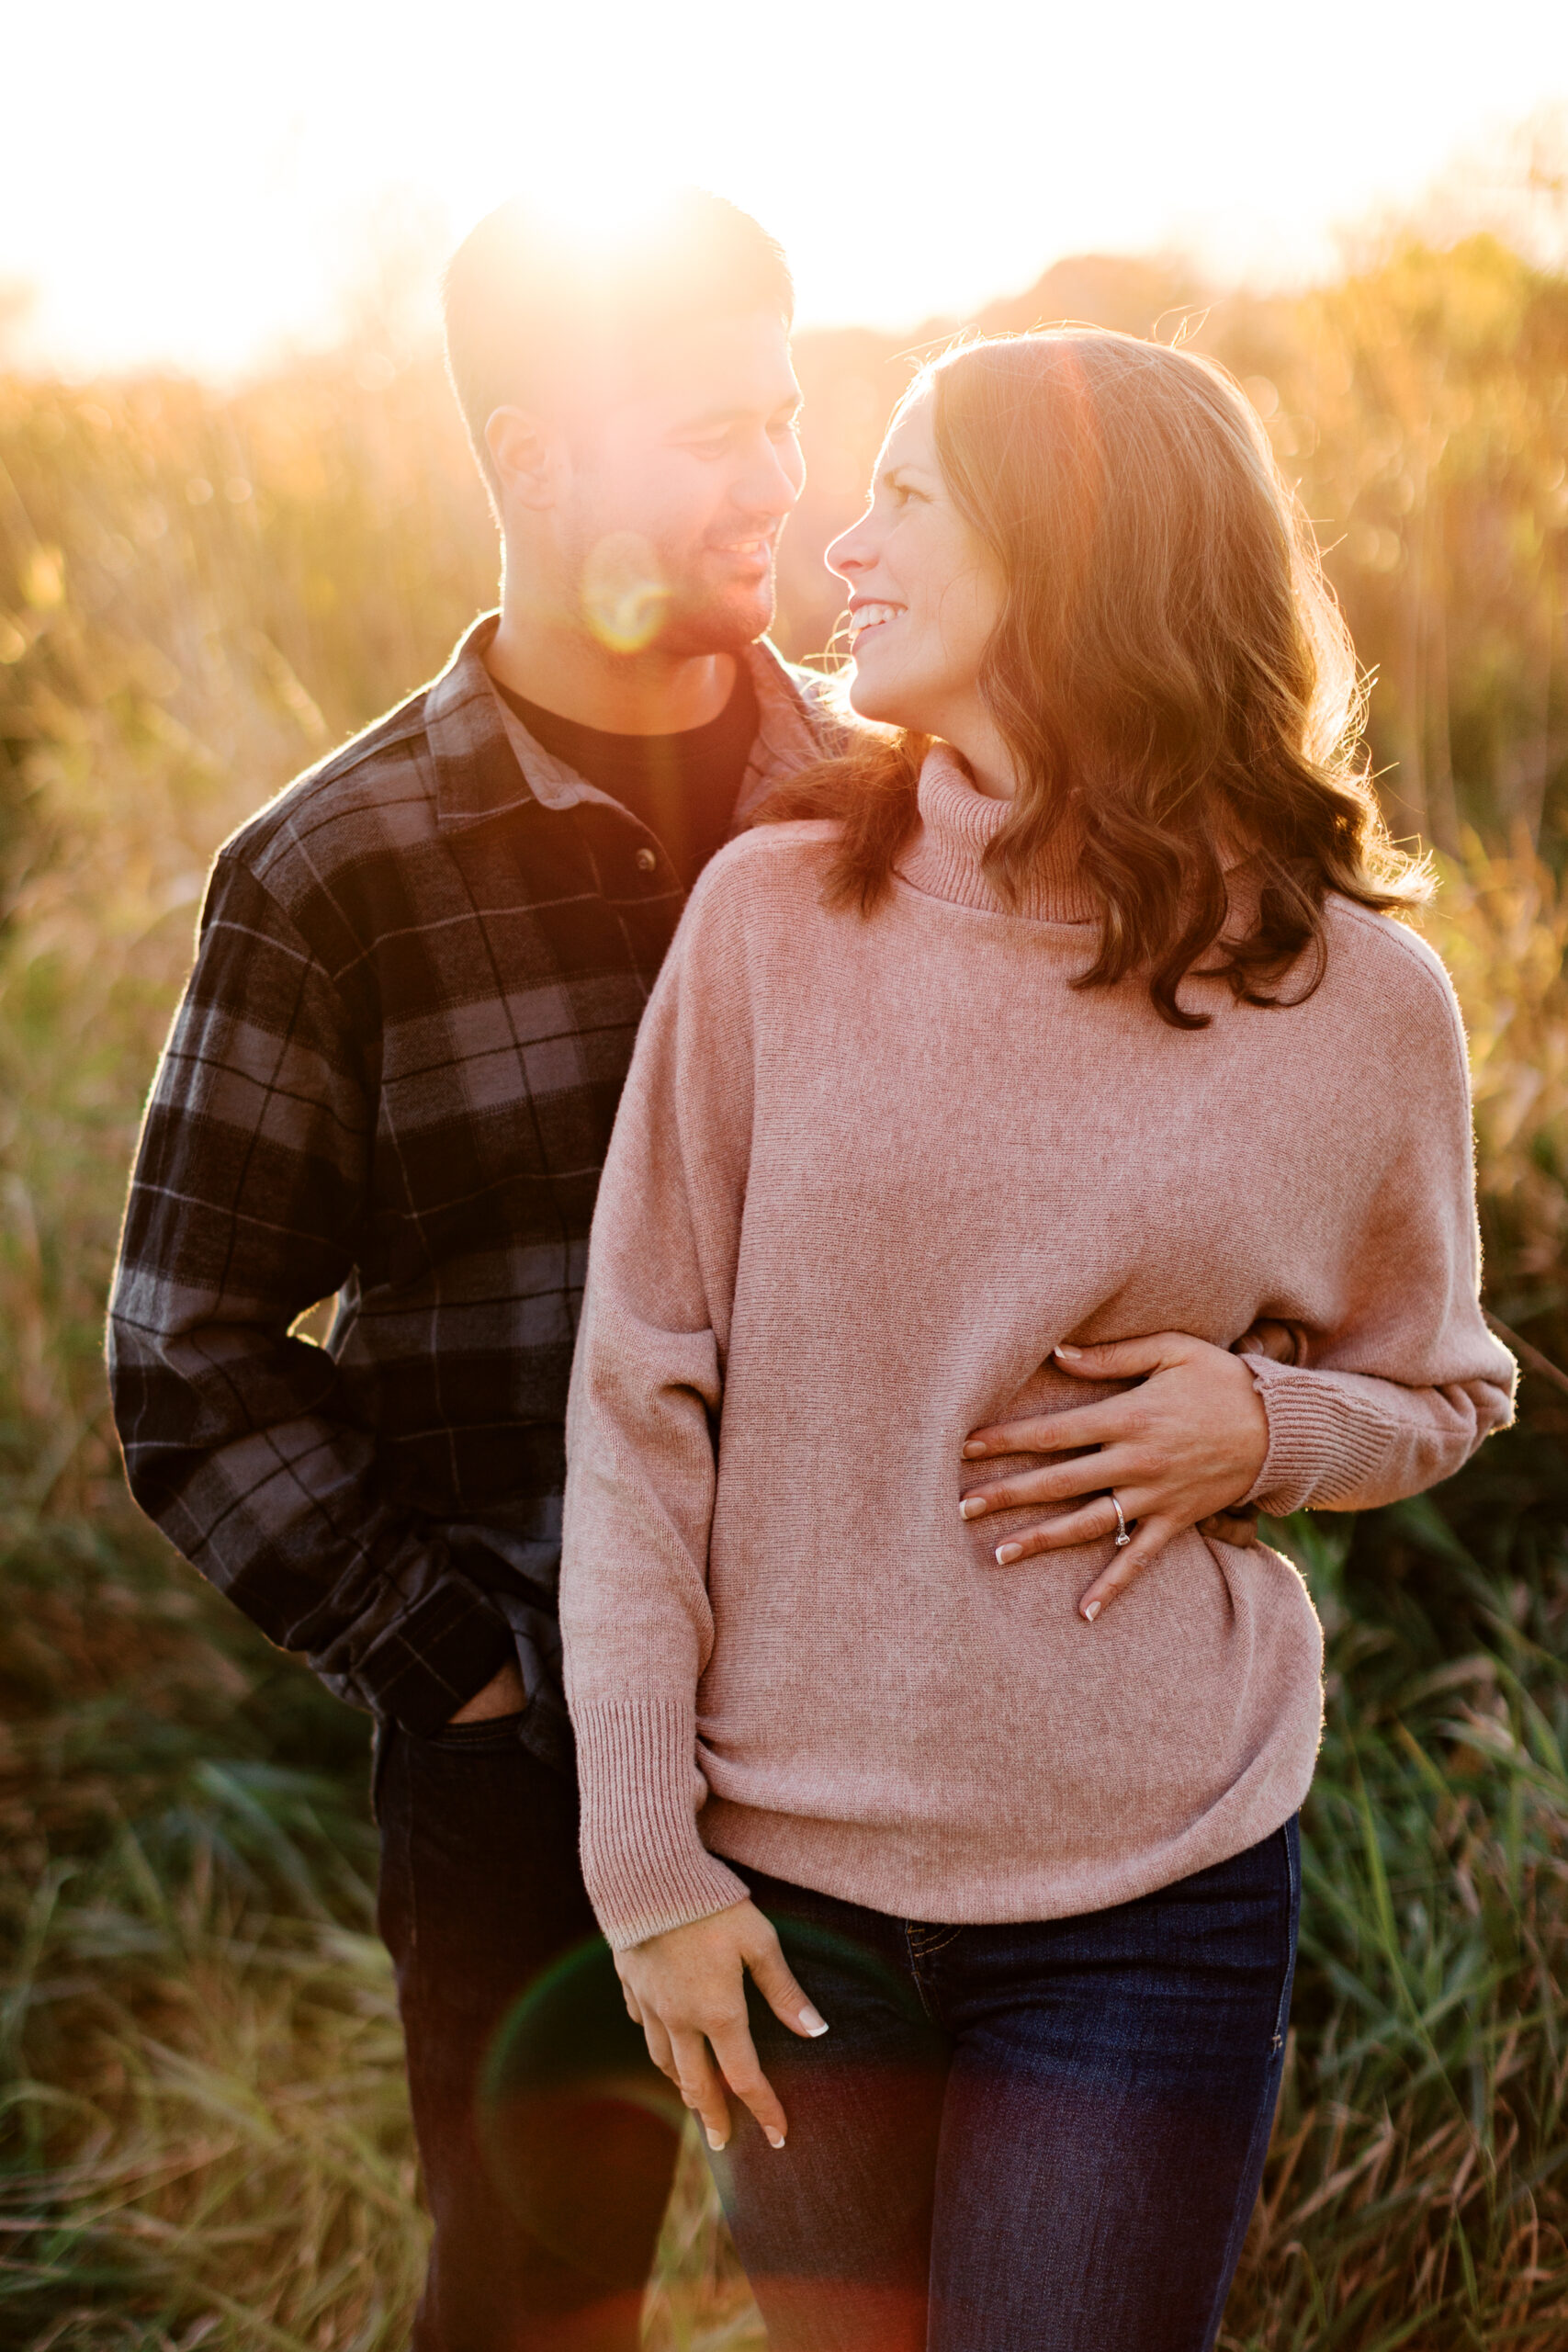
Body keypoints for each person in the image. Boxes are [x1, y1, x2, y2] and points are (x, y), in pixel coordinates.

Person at [107, 190, 1293, 2344]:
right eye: (705, 431)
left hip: (878, 1768)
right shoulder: (335, 869)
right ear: (533, 458)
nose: (776, 485)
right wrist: (472, 1664)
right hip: (520, 1768)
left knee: (888, 2298)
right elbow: (188, 1355)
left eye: (786, 419)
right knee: (539, 2295)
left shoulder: (902, 804)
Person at [558, 328, 1518, 2352]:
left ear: (1067, 553)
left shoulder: (1352, 1000)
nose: (844, 542)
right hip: (785, 1888)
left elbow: (1442, 1385)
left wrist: (1259, 1425)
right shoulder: (767, 926)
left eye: (906, 495)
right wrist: (645, 1862)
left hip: (1144, 1891)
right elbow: (638, 1401)